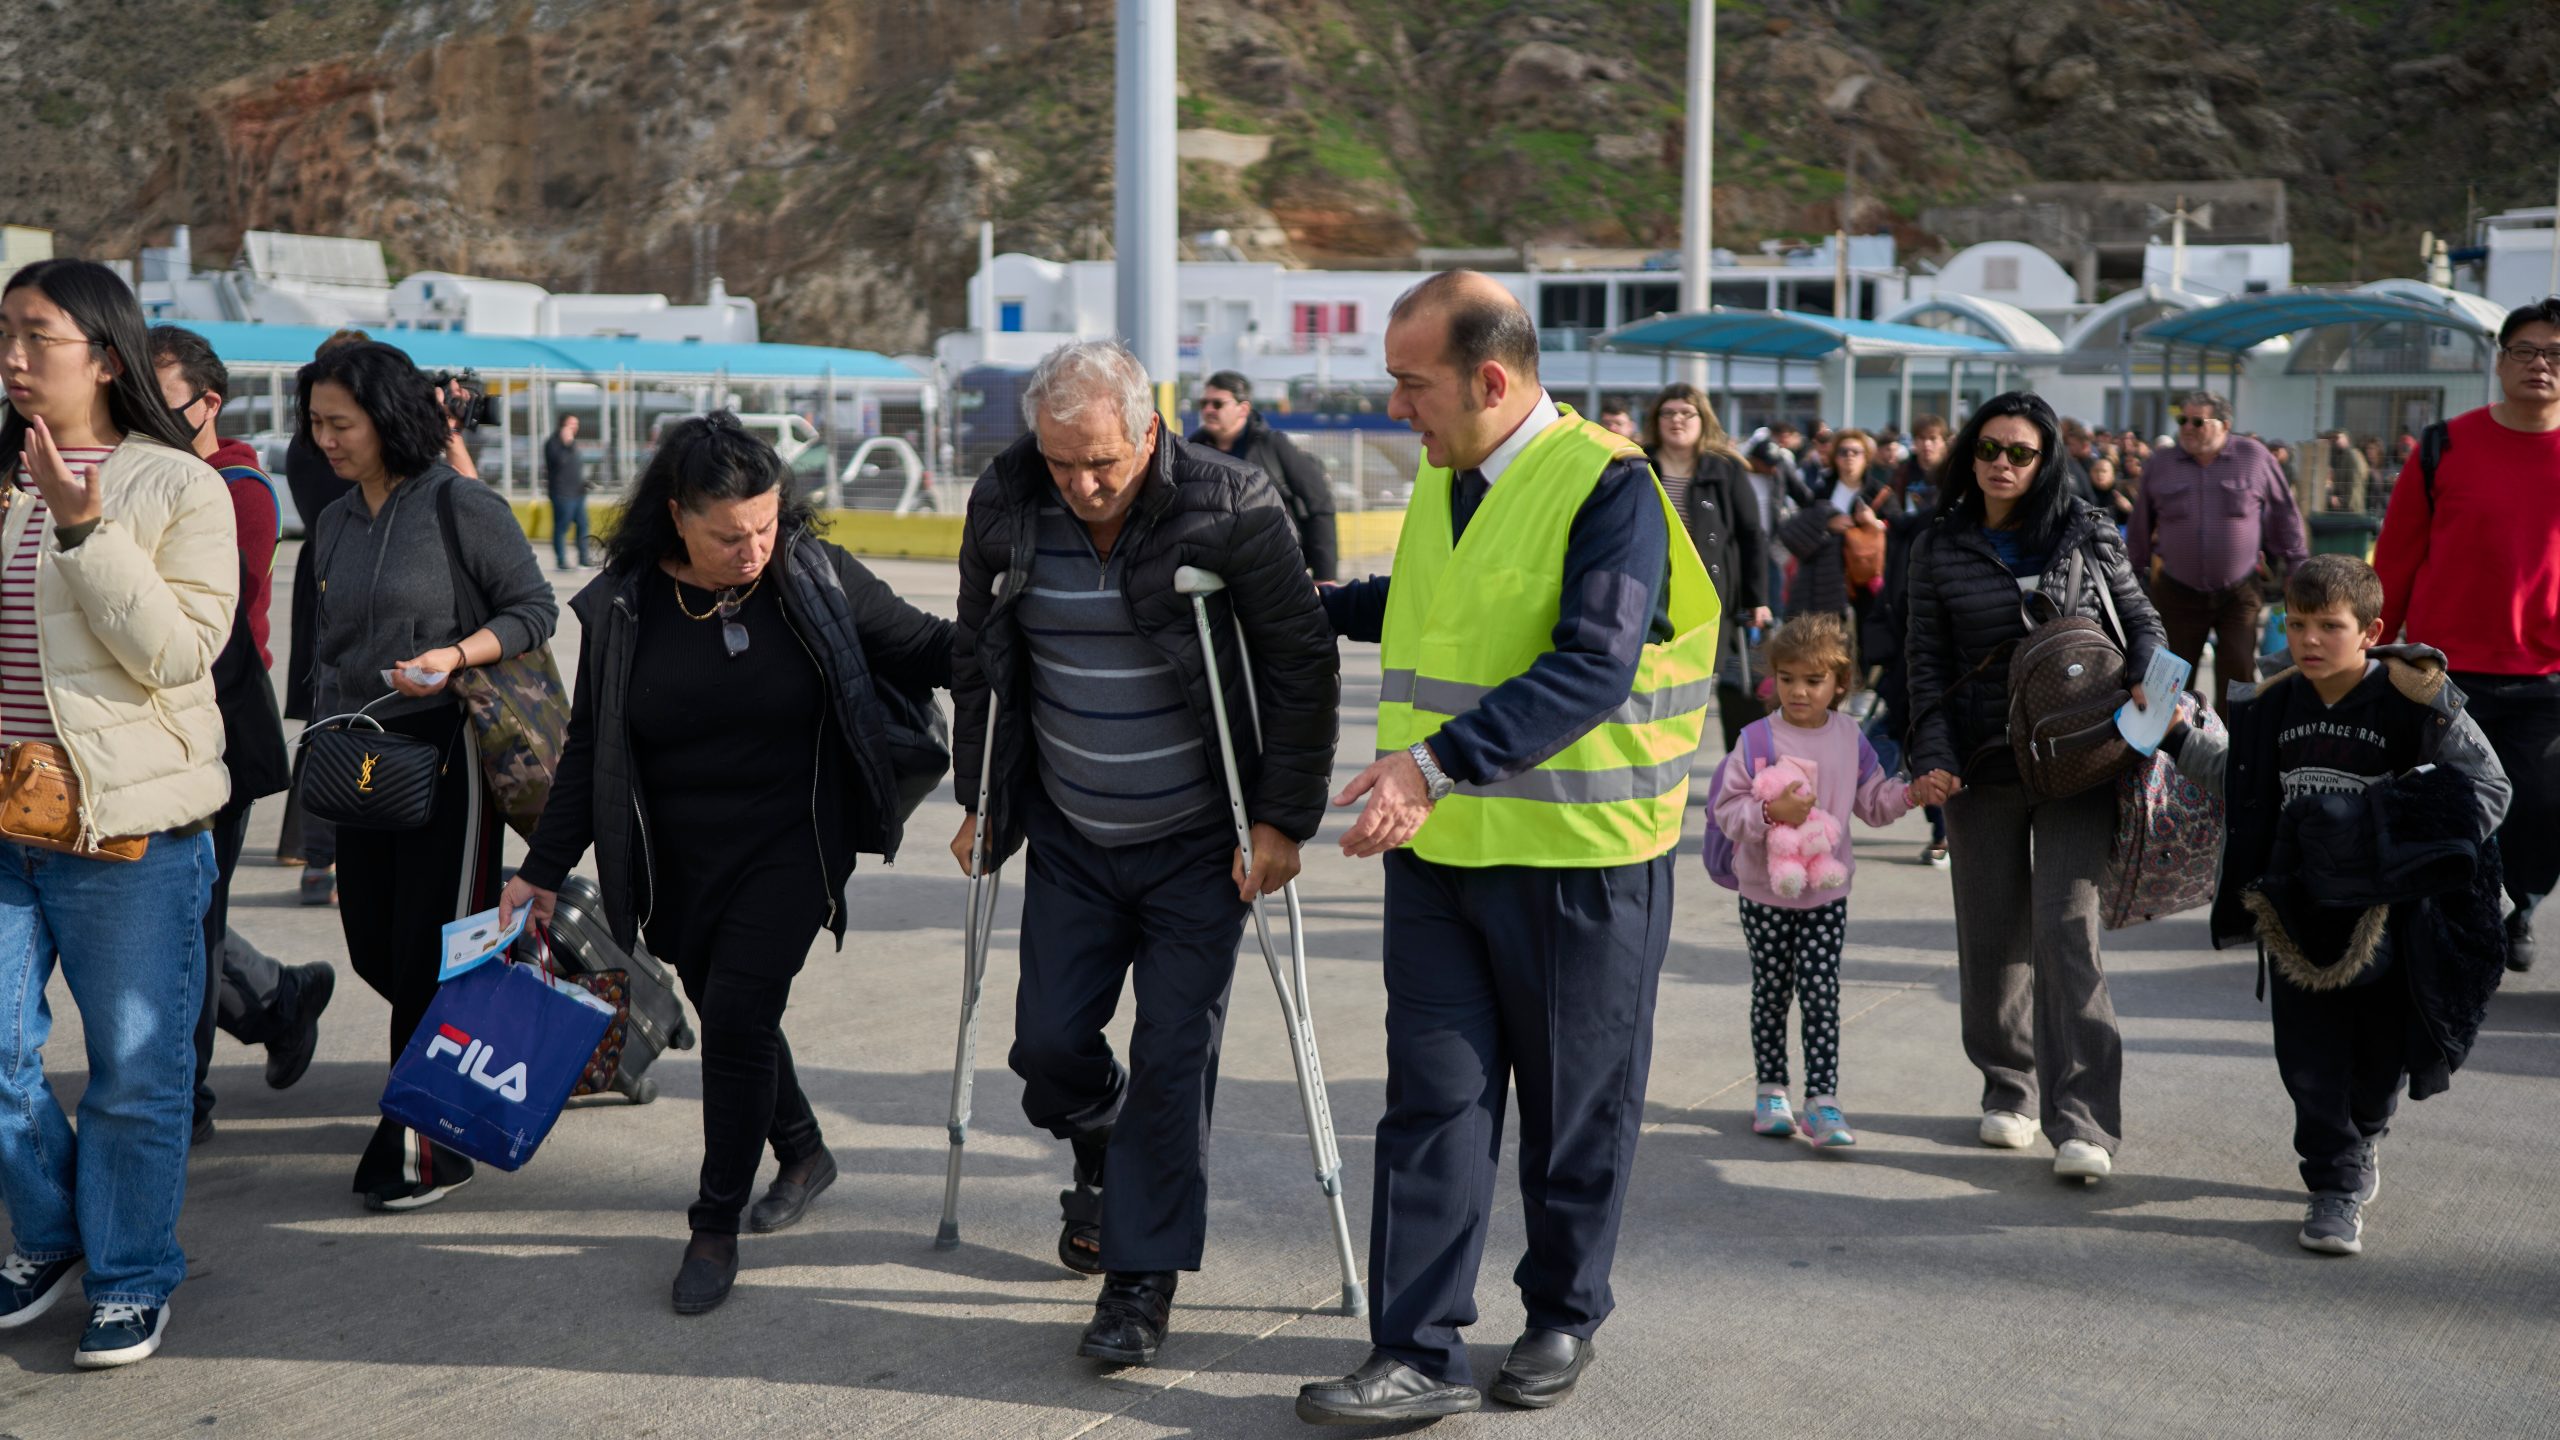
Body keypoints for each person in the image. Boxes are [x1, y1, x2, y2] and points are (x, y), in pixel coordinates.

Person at [1296, 272, 1716, 1423]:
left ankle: (1563, 1312)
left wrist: (1426, 767)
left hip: (1582, 858)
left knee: (1579, 1102)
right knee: (1432, 1104)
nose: (1397, 409)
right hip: (1443, 857)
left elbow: (1594, 662)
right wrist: (1309, 601)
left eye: (1410, 384)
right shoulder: (1449, 476)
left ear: (1490, 379)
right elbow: (1441, 606)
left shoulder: (1608, 488)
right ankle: (1414, 1350)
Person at [501, 413, 953, 1314]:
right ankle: (805, 1150)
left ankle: (714, 1224)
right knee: (731, 1008)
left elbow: (931, 646)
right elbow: (591, 745)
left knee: (741, 1011)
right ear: (676, 516)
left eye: (766, 525)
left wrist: (1039, 638)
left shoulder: (815, 577)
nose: (752, 550)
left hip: (794, 842)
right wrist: (540, 871)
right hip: (674, 858)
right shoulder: (623, 604)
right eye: (726, 535)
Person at [950, 341, 1337, 1366]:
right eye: (1059, 461)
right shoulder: (1006, 501)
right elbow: (979, 654)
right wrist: (980, 800)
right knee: (1045, 1046)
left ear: (1150, 432)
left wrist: (1281, 821)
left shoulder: (1231, 499)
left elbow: (1300, 661)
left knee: (1175, 1058)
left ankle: (1137, 1280)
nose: (1079, 486)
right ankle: (1102, 1138)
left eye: (1102, 465)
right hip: (1074, 832)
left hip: (1198, 844)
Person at [0, 259, 236, 1369]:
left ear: (103, 353)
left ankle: (131, 1275)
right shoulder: (2, 476)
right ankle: (52, 1237)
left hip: (125, 834)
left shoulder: (178, 487)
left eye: (34, 337)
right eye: (4, 335)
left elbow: (178, 654)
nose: (11, 358)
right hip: (5, 826)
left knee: (136, 1074)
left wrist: (88, 530)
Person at [2163, 555, 2509, 1255]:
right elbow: (2241, 780)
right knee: (2309, 1056)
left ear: (2372, 629)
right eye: (2295, 624)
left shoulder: (2416, 700)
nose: (2310, 640)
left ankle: (2364, 1135)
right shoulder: (2274, 704)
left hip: (2391, 916)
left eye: (2330, 626)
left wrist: (2380, 824)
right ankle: (2333, 1184)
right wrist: (2173, 735)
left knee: (2379, 1058)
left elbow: (2490, 790)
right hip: (2297, 911)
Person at [303, 340, 556, 1211]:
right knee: (378, 944)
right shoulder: (333, 524)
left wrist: (453, 655)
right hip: (360, 760)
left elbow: (535, 609)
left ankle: (426, 1147)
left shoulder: (459, 506)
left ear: (387, 419)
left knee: (435, 950)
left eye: (342, 424)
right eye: (316, 424)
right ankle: (524, 1014)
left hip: (451, 756)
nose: (326, 439)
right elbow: (321, 656)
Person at [1903, 391, 2164, 1182]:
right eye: (1988, 450)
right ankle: (2006, 1087)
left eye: (2020, 452)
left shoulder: (2088, 530)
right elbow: (1925, 665)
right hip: (1981, 762)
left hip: (2080, 761)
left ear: (2048, 458)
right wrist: (1932, 757)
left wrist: (2154, 679)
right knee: (1991, 933)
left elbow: (2141, 620)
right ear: (1967, 456)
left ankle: (2082, 1119)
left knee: (2066, 927)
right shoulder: (1938, 544)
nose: (2003, 465)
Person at [147, 325, 329, 1142]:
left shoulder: (236, 490)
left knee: (187, 921)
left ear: (205, 402)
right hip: (146, 731)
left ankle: (184, 1100)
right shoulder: (151, 474)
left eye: (154, 396)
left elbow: (209, 631)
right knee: (170, 917)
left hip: (213, 732)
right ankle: (280, 1000)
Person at [2371, 298, 2560, 970]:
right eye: (2526, 350)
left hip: (2546, 675)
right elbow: (2396, 556)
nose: (2541, 364)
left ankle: (2524, 899)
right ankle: (2467, 913)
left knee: (2539, 804)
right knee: (2450, 802)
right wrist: (2372, 645)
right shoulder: (2446, 444)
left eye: (2555, 354)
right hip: (2443, 669)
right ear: (2501, 361)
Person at [1711, 613, 1934, 1148]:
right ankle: (1771, 1091)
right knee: (1771, 992)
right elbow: (1728, 811)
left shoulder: (1849, 738)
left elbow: (1872, 804)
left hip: (1826, 893)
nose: (1798, 691)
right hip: (1764, 891)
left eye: (1813, 681)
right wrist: (1770, 814)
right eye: (1787, 679)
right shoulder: (1756, 736)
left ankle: (1823, 1101)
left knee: (1820, 994)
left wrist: (1909, 793)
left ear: (1840, 683)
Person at [2128, 389, 2306, 711]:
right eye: (2183, 420)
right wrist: (2130, 576)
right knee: (2170, 679)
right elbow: (2140, 523)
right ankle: (2170, 751)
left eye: (2199, 421)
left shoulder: (2254, 457)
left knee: (2238, 671)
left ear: (2225, 425)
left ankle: (2235, 751)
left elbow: (2284, 513)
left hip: (2238, 592)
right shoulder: (2161, 464)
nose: (2188, 428)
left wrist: (2296, 565)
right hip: (2176, 592)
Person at [274, 327, 369, 904]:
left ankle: (304, 844)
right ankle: (317, 851)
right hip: (334, 576)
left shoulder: (302, 442)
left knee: (324, 713)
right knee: (332, 711)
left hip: (322, 571)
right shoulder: (316, 447)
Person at [1644, 383, 1767, 752]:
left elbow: (1750, 535)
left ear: (1703, 419)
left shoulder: (1725, 470)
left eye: (1686, 413)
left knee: (1724, 686)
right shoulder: (1637, 464)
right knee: (1659, 685)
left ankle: (1740, 772)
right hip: (1654, 594)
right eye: (1668, 413)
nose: (1677, 420)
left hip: (1713, 597)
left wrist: (1757, 598)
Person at [1188, 370, 1338, 581]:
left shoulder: (1273, 446)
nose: (1208, 410)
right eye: (1204, 403)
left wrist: (1325, 575)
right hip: (1214, 573)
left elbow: (1319, 504)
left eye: (1218, 404)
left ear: (1243, 408)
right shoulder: (1192, 451)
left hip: (1276, 569)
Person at [1776, 426, 1886, 627]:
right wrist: (1825, 522)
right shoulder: (1823, 489)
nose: (1849, 457)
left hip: (1865, 580)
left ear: (1866, 457)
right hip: (1826, 579)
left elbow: (1895, 530)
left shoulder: (1880, 493)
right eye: (1843, 452)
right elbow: (1803, 526)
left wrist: (1872, 524)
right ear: (1835, 457)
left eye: (1856, 452)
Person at [543, 413, 590, 570]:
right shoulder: (553, 443)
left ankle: (583, 557)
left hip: (578, 493)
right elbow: (559, 462)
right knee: (562, 527)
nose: (574, 428)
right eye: (571, 424)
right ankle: (561, 559)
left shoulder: (573, 444)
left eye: (576, 424)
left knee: (583, 525)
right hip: (562, 493)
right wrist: (566, 443)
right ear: (562, 426)